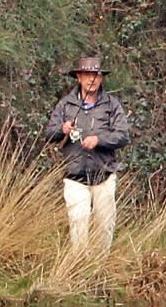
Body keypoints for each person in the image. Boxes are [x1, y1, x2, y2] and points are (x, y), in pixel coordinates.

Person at [45, 57, 130, 252]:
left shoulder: (112, 105)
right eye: (87, 75)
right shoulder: (65, 105)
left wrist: (99, 140)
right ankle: (79, 268)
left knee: (105, 226)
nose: (92, 79)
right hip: (74, 175)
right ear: (79, 77)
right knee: (78, 221)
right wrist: (62, 129)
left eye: (96, 75)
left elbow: (123, 136)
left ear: (101, 78)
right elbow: (49, 135)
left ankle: (99, 269)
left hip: (104, 176)